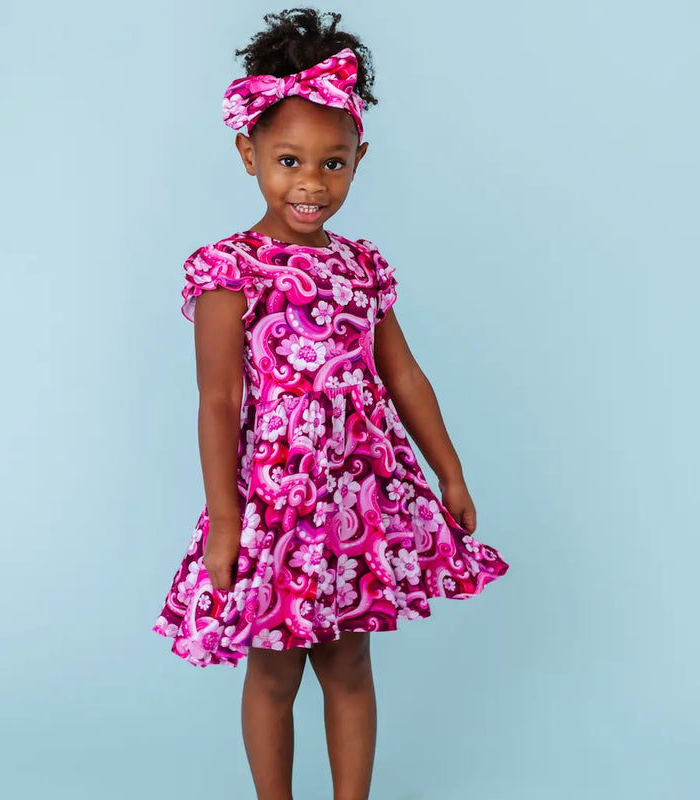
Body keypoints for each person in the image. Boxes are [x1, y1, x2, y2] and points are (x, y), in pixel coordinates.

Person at [153, 8, 510, 799]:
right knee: (275, 670)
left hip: (360, 498)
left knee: (349, 661)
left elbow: (404, 377)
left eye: (334, 164)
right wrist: (224, 518)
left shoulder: (362, 268)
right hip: (276, 503)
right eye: (288, 160)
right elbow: (218, 400)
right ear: (248, 154)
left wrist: (449, 472)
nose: (312, 183)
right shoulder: (228, 269)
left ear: (359, 160)